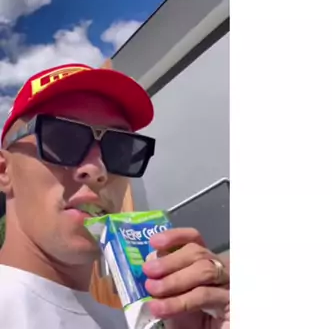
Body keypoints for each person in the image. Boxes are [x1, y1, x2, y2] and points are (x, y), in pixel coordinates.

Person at [0, 63, 229, 329]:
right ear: (4, 171)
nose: (98, 170)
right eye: (62, 140)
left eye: (120, 149)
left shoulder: (132, 322)